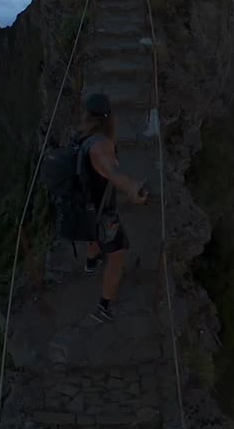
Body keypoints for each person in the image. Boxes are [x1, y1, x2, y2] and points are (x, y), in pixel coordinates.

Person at [78, 92, 151, 323]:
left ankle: (90, 263)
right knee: (117, 257)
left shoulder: (83, 138)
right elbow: (113, 173)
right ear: (109, 117)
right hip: (102, 213)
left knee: (92, 234)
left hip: (83, 206)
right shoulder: (102, 145)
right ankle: (102, 307)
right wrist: (133, 189)